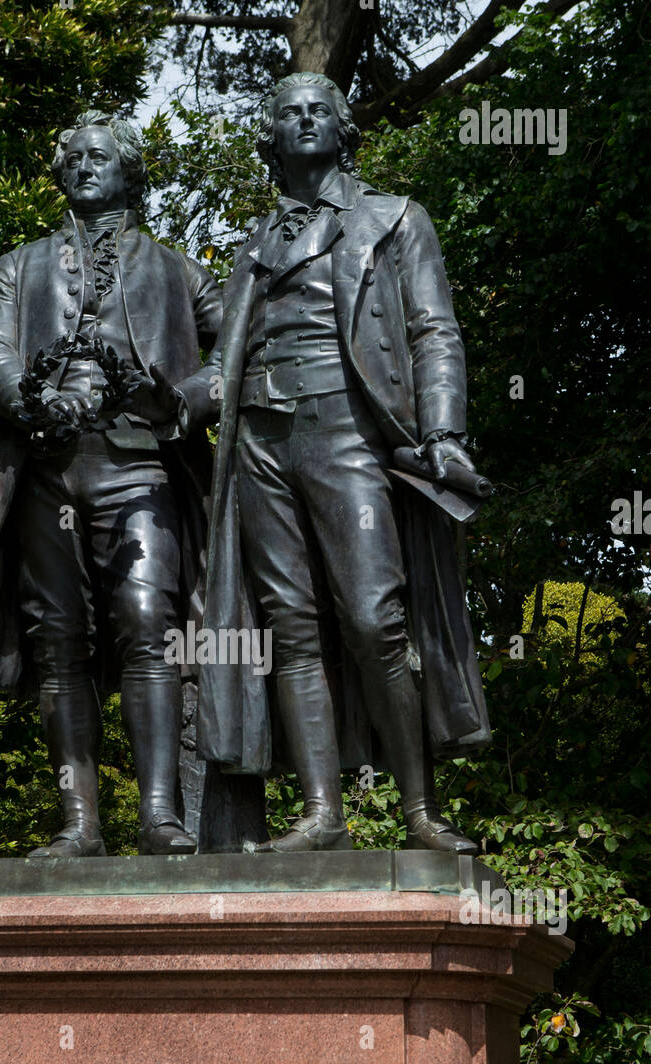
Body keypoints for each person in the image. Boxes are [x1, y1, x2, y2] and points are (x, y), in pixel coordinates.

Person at [135, 73, 490, 853]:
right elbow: (223, 366)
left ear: (342, 129)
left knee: (374, 617)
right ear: (270, 135)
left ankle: (419, 813)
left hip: (347, 432)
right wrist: (175, 401)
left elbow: (435, 333)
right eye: (287, 113)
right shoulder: (256, 244)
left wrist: (444, 433)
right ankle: (324, 814)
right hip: (259, 442)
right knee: (289, 628)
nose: (302, 121)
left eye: (317, 111)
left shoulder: (394, 220)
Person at [0, 110, 221, 856]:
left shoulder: (178, 270)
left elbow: (240, 351)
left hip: (141, 464)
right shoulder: (20, 265)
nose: (83, 165)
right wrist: (26, 396)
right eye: (72, 156)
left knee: (149, 624)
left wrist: (181, 402)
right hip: (46, 468)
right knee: (59, 642)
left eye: (99, 155)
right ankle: (79, 825)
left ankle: (158, 817)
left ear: (129, 169)